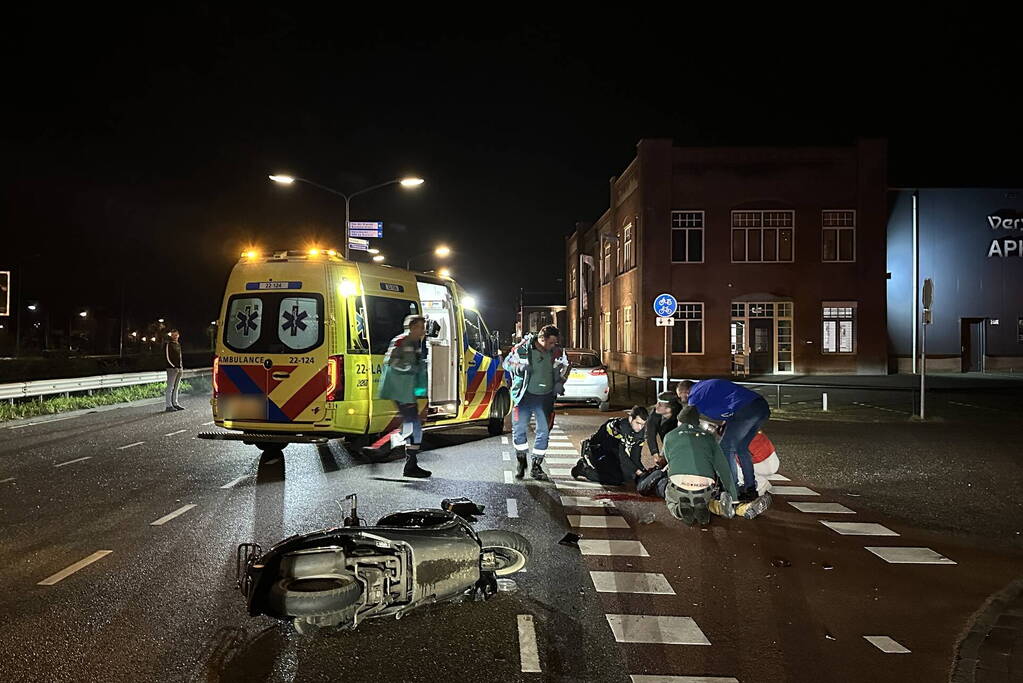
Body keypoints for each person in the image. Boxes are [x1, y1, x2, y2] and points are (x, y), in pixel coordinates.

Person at [676, 378, 771, 503]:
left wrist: (679, 437)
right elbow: (728, 402)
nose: (682, 399)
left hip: (746, 410)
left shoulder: (695, 394)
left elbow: (685, 418)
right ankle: (750, 489)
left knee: (725, 448)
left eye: (680, 396)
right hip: (760, 407)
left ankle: (732, 491)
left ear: (685, 391)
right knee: (741, 448)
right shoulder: (704, 387)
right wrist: (725, 424)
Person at [503, 325, 569, 481]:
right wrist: (519, 367)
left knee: (544, 432)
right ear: (541, 339)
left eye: (555, 342)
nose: (554, 345)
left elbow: (566, 366)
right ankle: (521, 462)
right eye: (551, 342)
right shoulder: (522, 349)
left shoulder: (557, 352)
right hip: (524, 396)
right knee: (519, 431)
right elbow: (506, 363)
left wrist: (560, 381)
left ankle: (536, 466)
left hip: (545, 398)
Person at [660, 406, 738, 525]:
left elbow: (668, 460)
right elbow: (723, 468)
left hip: (679, 486)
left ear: (679, 421)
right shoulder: (709, 438)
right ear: (697, 423)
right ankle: (701, 505)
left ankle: (678, 510)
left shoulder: (669, 436)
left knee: (669, 496)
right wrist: (733, 495)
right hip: (703, 488)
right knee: (704, 494)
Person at [378, 315, 431, 478]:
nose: (423, 331)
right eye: (421, 327)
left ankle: (408, 463)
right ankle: (380, 450)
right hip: (401, 390)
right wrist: (410, 368)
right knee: (412, 426)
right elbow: (390, 361)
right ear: (413, 327)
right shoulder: (402, 341)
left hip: (407, 391)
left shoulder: (414, 343)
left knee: (411, 426)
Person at [570, 406, 648, 486]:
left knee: (628, 476)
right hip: (598, 451)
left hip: (611, 454)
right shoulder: (617, 427)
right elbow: (621, 455)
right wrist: (637, 471)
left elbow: (635, 456)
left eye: (643, 424)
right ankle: (584, 469)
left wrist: (644, 472)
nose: (640, 427)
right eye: (638, 423)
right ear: (631, 418)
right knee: (616, 479)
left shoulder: (640, 432)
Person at [646, 391, 684, 466]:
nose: (656, 406)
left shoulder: (681, 417)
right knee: (661, 462)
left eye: (660, 405)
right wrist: (655, 454)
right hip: (666, 438)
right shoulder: (655, 413)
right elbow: (650, 434)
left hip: (680, 440)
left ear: (668, 409)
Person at [164, 330, 184, 412]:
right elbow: (167, 357)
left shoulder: (178, 344)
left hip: (179, 368)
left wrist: (181, 367)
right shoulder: (169, 344)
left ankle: (175, 403)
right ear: (171, 336)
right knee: (170, 387)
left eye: (176, 335)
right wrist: (174, 366)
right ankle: (168, 405)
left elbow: (180, 357)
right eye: (173, 335)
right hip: (171, 369)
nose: (175, 336)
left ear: (178, 335)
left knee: (176, 387)